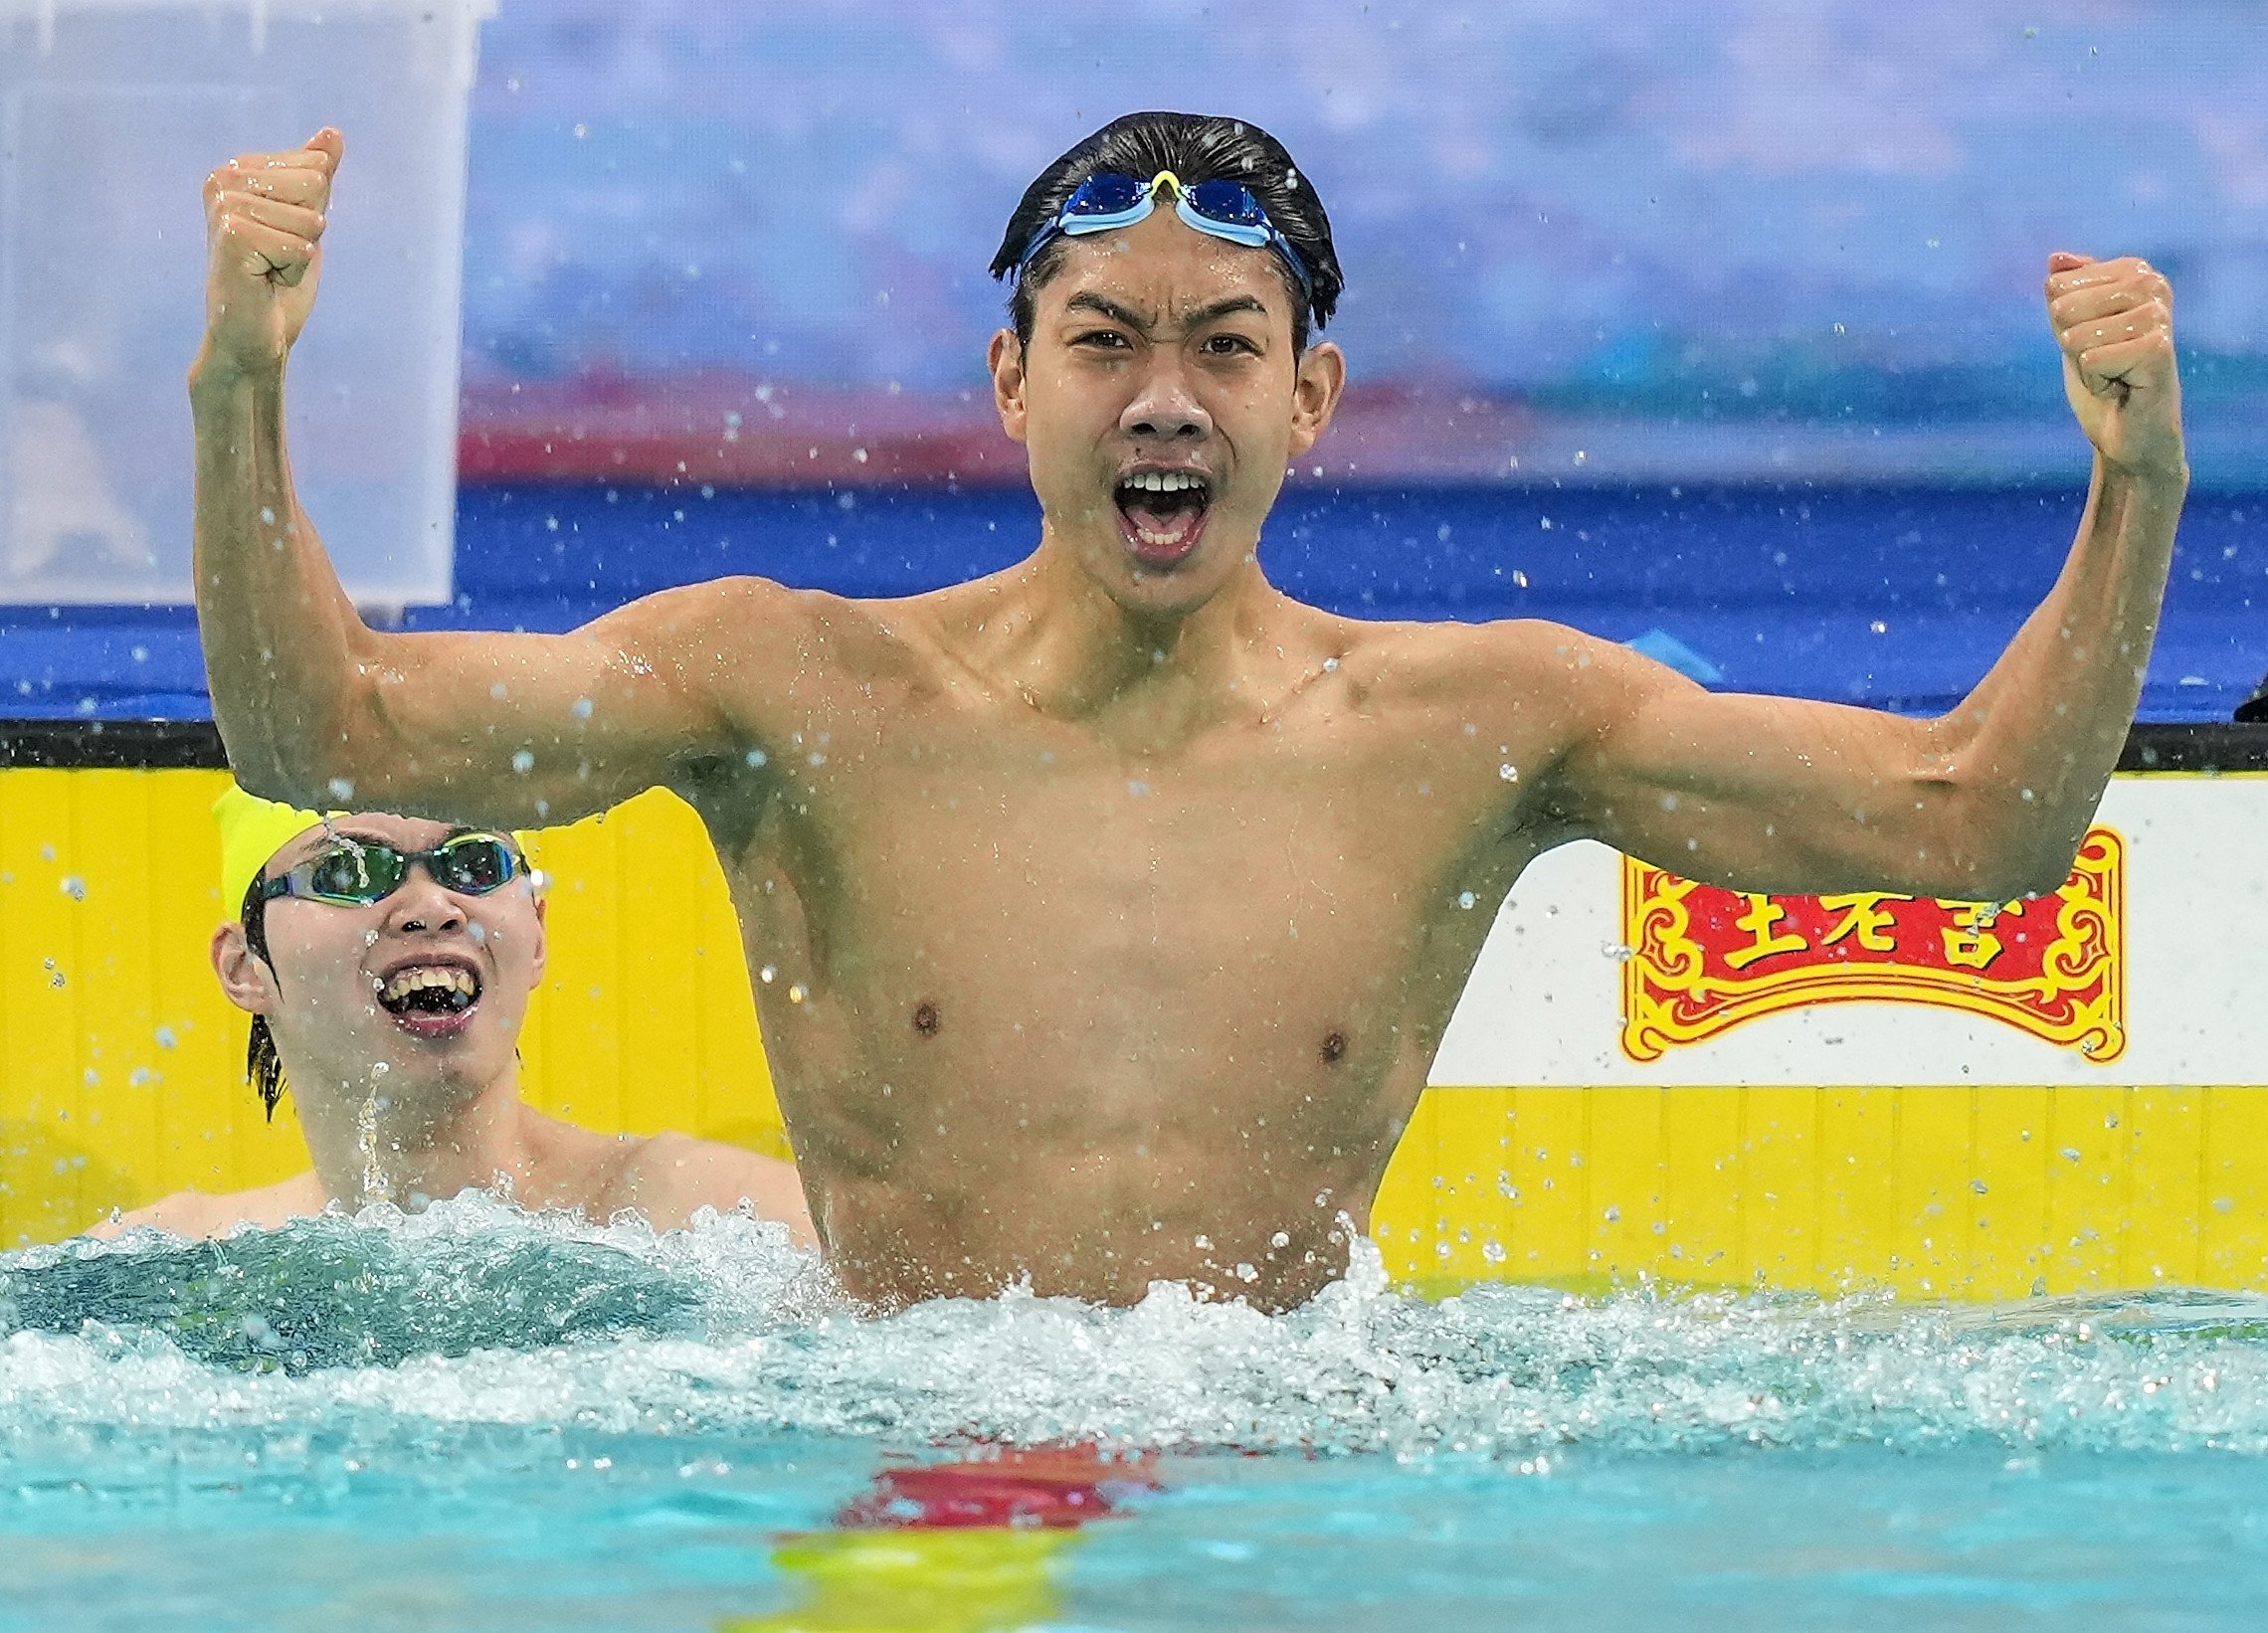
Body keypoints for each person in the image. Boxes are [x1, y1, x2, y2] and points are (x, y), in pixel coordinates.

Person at [187, 113, 2185, 1311]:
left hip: (1297, 1455)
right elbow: (323, 729)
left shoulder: (1477, 716)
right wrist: (239, 392)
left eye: (1227, 346)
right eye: (1105, 343)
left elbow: (1969, 829)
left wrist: (2136, 492)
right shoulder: (792, 682)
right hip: (911, 1451)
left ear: (1308, 399)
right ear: (1009, 380)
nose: (1166, 398)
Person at [99, 789, 816, 1242]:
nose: (433, 905)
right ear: (244, 967)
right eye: (348, 872)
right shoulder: (182, 1257)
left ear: (536, 931)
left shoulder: (721, 1220)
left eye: (472, 864)